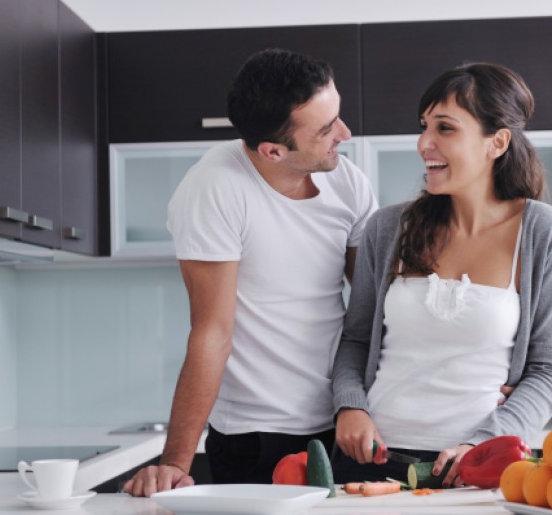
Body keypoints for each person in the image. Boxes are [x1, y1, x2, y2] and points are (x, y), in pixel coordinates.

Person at [123, 49, 378, 497]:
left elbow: (372, 309)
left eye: (337, 116)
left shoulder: (348, 180)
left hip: (345, 421)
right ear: (273, 150)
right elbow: (212, 332)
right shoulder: (215, 188)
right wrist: (175, 463)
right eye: (325, 129)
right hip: (256, 436)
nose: (345, 133)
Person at [330, 62, 552, 487]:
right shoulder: (389, 228)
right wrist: (350, 406)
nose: (424, 142)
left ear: (496, 142)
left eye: (445, 128)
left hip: (478, 469)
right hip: (370, 464)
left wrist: (486, 442)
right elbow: (355, 339)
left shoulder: (542, 232)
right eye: (424, 126)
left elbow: (550, 369)